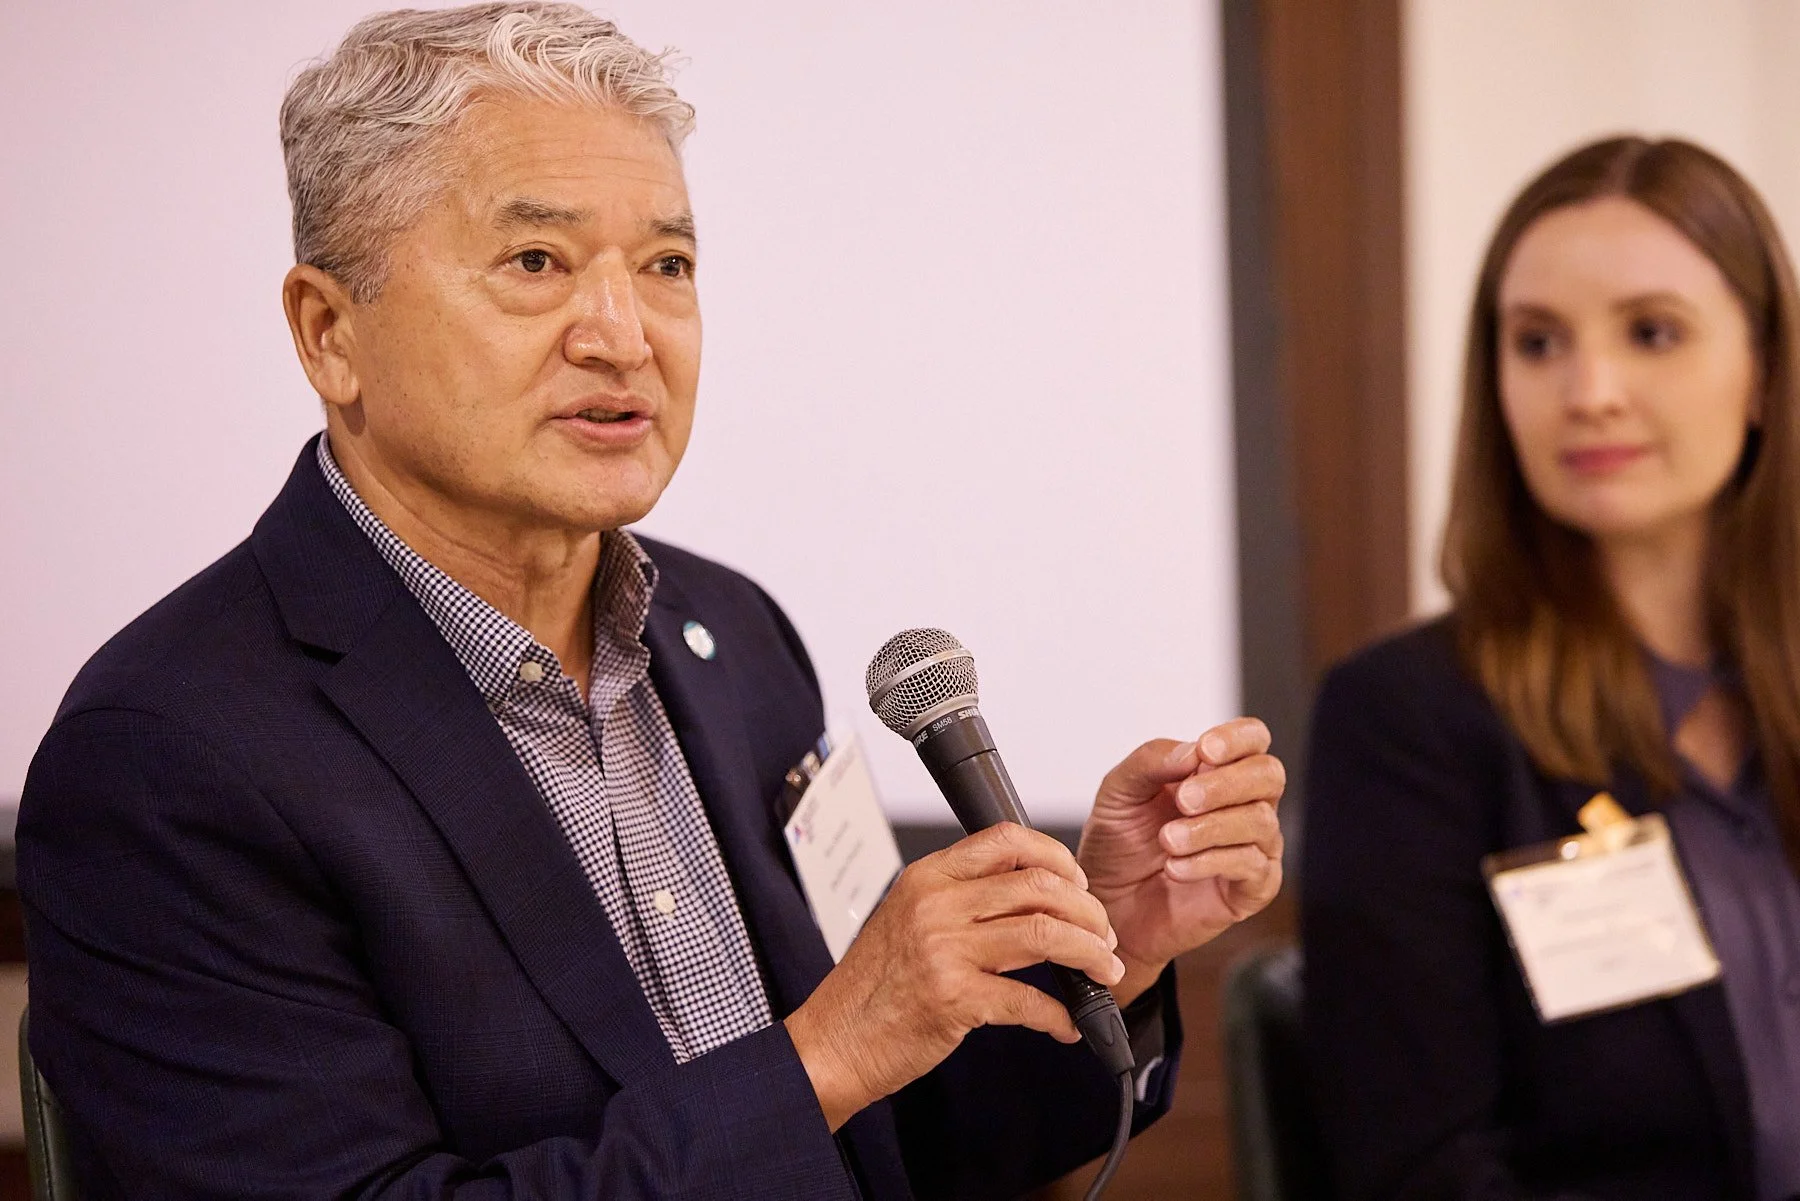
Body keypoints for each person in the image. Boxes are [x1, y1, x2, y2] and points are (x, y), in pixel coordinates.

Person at [17, 4, 1288, 1198]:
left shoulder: (731, 641)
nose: (625, 334)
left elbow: (903, 1146)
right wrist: (826, 1053)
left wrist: (1109, 948)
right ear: (329, 332)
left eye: (668, 263)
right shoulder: (171, 759)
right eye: (537, 259)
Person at [1303, 134, 1800, 1201]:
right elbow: (1419, 1172)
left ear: (1763, 371)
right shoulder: (1405, 718)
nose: (1590, 390)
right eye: (1538, 342)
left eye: (1652, 333)